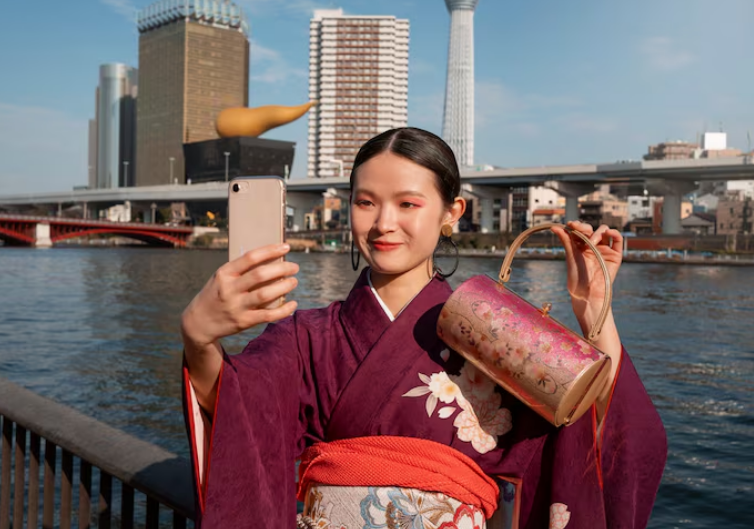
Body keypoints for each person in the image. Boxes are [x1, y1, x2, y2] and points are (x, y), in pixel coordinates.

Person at [180, 127, 667, 529]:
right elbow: (235, 405)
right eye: (365, 202)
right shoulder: (305, 336)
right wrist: (199, 339)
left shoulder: (497, 336)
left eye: (408, 204)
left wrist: (595, 313)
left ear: (451, 213)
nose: (383, 224)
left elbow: (597, 427)